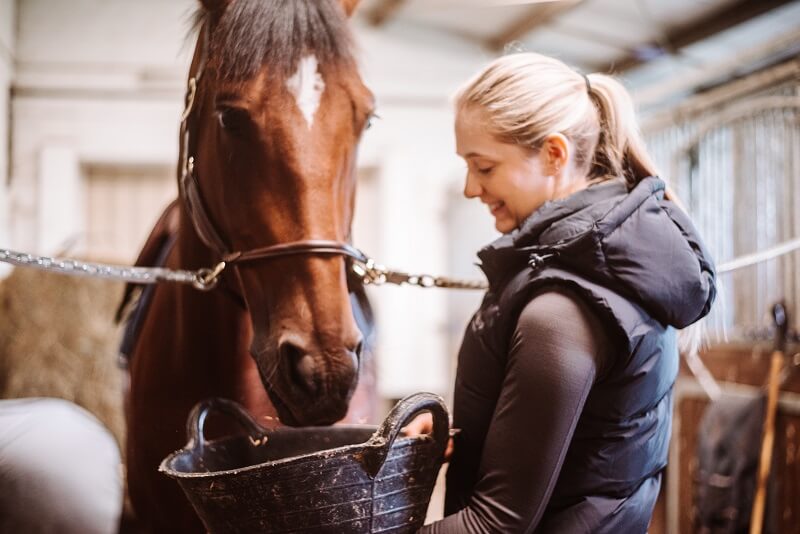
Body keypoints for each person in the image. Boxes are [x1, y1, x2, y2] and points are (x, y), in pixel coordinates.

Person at [408, 52, 717, 533]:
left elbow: (493, 525)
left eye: (484, 167)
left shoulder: (564, 307)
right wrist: (466, 438)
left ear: (553, 154)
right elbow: (570, 445)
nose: (471, 188)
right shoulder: (573, 267)